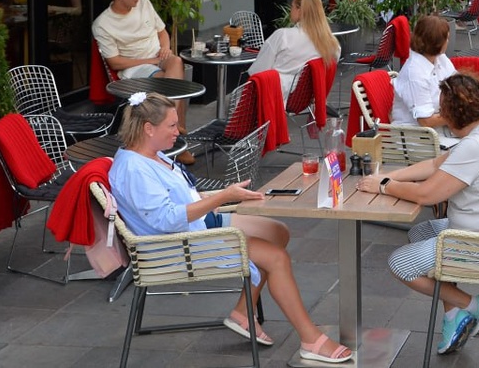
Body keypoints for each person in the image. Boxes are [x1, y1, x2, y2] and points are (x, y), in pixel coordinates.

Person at [109, 92, 352, 363]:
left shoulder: (150, 155)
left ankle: (240, 313)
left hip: (194, 225)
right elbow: (166, 220)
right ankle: (311, 339)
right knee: (277, 258)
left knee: (277, 232)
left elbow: (175, 199)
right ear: (148, 128)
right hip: (177, 245)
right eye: (172, 125)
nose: (178, 132)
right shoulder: (134, 169)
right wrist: (222, 197)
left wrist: (221, 195)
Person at [358, 73, 479, 356]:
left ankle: (472, 305)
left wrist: (385, 186)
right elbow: (438, 163)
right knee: (420, 232)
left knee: (400, 263)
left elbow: (427, 195)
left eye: (443, 111)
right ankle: (453, 313)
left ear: (456, 114)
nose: (440, 116)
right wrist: (389, 174)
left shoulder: (476, 147)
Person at [93, 0, 191, 159]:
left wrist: (165, 48)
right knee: (168, 80)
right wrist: (150, 61)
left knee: (176, 61)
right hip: (134, 68)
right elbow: (114, 61)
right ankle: (176, 133)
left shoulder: (144, 4)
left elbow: (162, 31)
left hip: (158, 57)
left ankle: (172, 125)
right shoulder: (103, 23)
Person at [249, 0, 340, 99]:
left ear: (299, 10)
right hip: (305, 97)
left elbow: (257, 71)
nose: (290, 10)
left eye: (292, 6)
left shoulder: (283, 36)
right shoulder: (331, 44)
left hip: (274, 98)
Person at [392, 14, 458, 142]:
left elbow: (458, 85)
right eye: (447, 38)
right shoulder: (415, 73)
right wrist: (462, 114)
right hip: (417, 138)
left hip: (440, 131)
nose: (448, 42)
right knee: (476, 149)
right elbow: (426, 121)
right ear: (437, 42)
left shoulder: (440, 58)